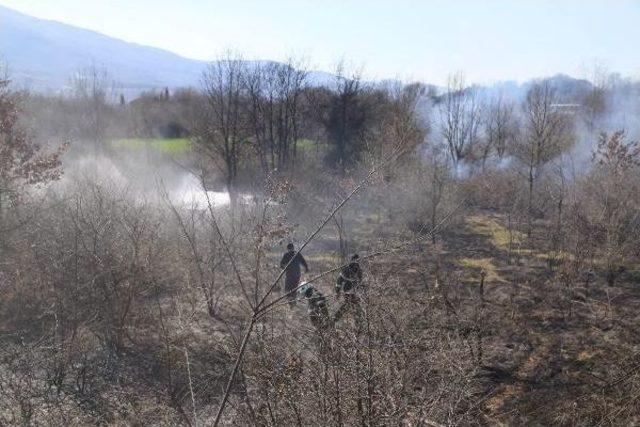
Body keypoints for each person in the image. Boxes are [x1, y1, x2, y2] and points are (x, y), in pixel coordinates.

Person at [333, 254, 365, 331]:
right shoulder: (347, 269)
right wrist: (337, 292)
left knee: (350, 307)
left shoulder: (358, 270)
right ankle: (358, 325)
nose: (356, 263)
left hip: (354, 293)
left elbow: (359, 283)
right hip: (349, 292)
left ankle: (335, 319)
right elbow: (339, 281)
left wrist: (337, 292)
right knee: (353, 307)